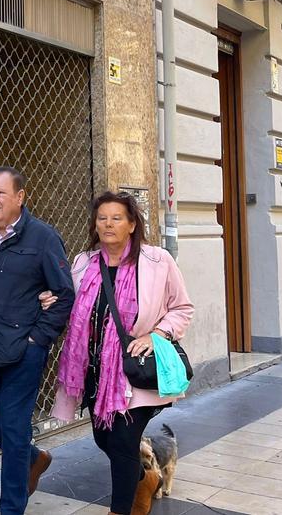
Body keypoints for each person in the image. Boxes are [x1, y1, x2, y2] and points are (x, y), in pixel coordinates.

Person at [51, 191, 195, 515]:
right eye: (102, 218)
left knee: (123, 442)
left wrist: (157, 333)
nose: (108, 224)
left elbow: (182, 307)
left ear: (132, 224)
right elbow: (74, 309)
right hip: (95, 373)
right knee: (105, 441)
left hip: (134, 372)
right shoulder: (84, 263)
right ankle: (145, 480)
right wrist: (52, 302)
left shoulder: (158, 261)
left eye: (116, 218)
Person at [0, 166, 75, 515]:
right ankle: (33, 457)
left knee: (12, 429)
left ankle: (11, 508)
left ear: (20, 197)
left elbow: (64, 294)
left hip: (23, 352)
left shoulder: (42, 238)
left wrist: (37, 339)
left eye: (0, 193)